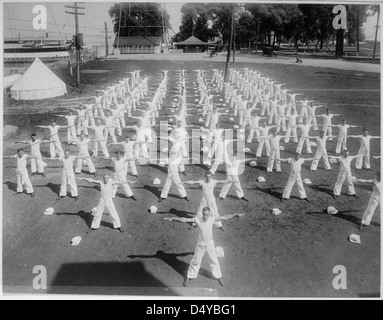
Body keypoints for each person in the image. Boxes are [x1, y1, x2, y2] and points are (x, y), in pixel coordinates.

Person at [164, 207, 245, 287]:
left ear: (209, 214)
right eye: (204, 214)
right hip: (200, 244)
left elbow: (225, 218)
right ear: (202, 214)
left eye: (207, 214)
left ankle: (218, 276)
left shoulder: (212, 219)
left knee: (214, 260)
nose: (205, 216)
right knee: (196, 260)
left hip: (210, 244)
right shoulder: (198, 219)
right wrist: (172, 218)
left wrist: (235, 214)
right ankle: (189, 276)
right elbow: (184, 219)